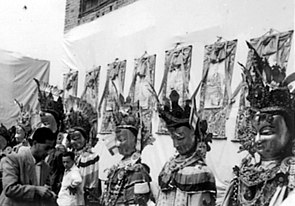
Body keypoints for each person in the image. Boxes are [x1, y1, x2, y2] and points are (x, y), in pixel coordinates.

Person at [221, 46, 295, 206]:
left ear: (289, 133)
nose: (257, 140)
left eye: (267, 132)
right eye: (254, 132)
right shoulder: (245, 172)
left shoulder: (291, 178)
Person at [156, 90, 216, 206]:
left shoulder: (201, 172)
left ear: (194, 134)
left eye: (180, 138)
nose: (176, 145)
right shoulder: (169, 166)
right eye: (173, 139)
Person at [101, 97, 154, 206]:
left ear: (135, 141)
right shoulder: (118, 167)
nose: (117, 144)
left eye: (121, 140)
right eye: (117, 140)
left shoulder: (138, 171)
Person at [0, 127, 57, 206]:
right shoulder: (13, 159)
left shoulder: (46, 167)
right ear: (34, 143)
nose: (48, 152)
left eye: (51, 149)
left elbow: (43, 192)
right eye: (46, 148)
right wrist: (36, 190)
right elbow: (9, 189)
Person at [65, 96, 101, 206]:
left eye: (77, 138)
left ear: (86, 138)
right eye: (71, 139)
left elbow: (85, 184)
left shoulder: (89, 157)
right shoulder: (71, 156)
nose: (74, 142)